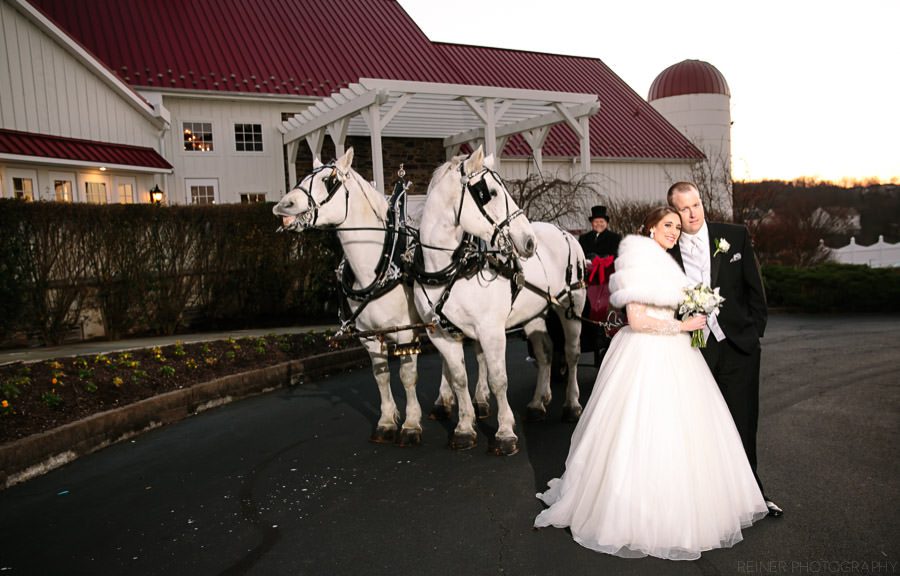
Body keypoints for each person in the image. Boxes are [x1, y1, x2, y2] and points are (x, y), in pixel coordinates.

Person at [534, 206, 768, 560]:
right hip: (644, 352)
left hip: (677, 354)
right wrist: (682, 326)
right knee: (639, 429)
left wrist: (692, 311)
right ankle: (633, 511)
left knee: (685, 434)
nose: (674, 231)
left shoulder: (665, 261)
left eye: (677, 226)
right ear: (650, 230)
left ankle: (684, 506)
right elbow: (636, 318)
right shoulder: (638, 260)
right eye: (667, 225)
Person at [666, 182, 782, 519]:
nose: (693, 213)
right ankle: (710, 501)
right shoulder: (667, 251)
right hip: (696, 350)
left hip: (738, 347)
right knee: (702, 426)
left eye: (697, 204)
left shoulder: (734, 235)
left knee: (743, 422)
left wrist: (753, 334)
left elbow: (754, 289)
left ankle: (754, 498)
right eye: (684, 208)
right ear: (675, 211)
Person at [577, 205, 621, 364]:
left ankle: (603, 330)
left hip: (606, 277)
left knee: (600, 301)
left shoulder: (615, 238)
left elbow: (617, 256)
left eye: (601, 221)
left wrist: (602, 260)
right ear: (592, 223)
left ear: (606, 223)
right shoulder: (584, 238)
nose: (599, 224)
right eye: (596, 222)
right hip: (588, 276)